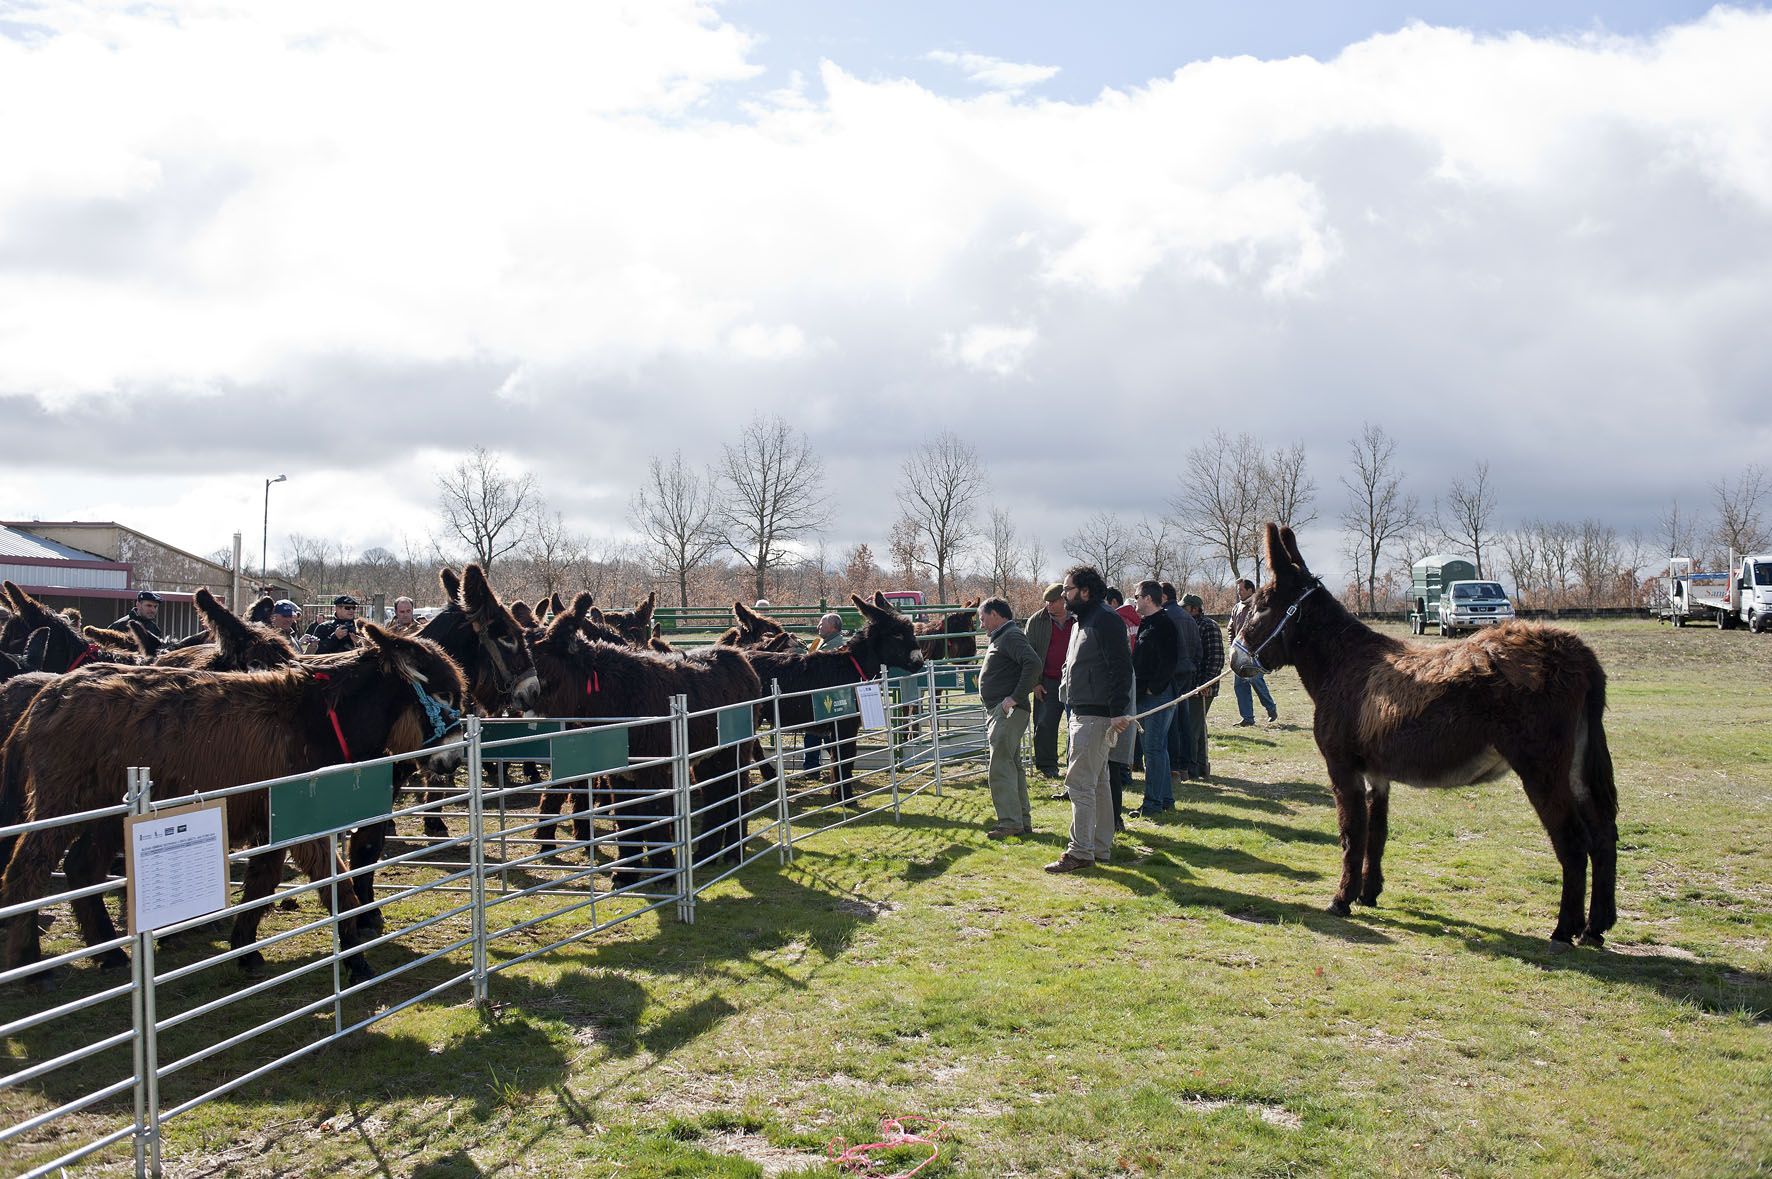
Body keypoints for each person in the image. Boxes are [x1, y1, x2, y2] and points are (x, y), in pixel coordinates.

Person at [1044, 565, 1133, 874]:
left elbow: (1121, 666)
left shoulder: (1104, 620)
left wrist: (1119, 709)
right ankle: (1099, 846)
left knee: (1080, 783)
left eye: (1068, 589)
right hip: (1086, 711)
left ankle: (1080, 851)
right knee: (1098, 783)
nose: (1063, 595)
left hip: (1095, 715)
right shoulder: (1085, 620)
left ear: (1084, 591)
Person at [977, 597, 1041, 839]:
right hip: (1005, 711)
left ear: (995, 614)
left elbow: (1033, 663)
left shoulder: (1010, 636)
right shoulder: (1005, 636)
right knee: (1012, 766)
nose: (982, 624)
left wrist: (1014, 697)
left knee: (1000, 767)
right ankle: (1021, 821)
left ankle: (1010, 822)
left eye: (983, 619)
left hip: (1007, 712)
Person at [1130, 580, 1181, 816]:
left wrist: (1154, 688)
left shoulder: (1164, 624)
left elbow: (1171, 660)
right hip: (1147, 695)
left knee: (1153, 750)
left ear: (1148, 599)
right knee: (1158, 748)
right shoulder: (1147, 623)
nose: (1135, 600)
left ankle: (1152, 804)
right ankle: (1166, 799)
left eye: (1137, 596)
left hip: (1158, 697)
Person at [1025, 583, 1073, 782]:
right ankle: (1047, 764)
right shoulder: (1037, 621)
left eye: (1053, 602)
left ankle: (1075, 765)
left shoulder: (1078, 618)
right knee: (1044, 724)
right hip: (1048, 681)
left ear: (1063, 600)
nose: (1049, 606)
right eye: (1047, 602)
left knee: (1077, 725)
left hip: (1075, 681)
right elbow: (1029, 652)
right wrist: (1035, 682)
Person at [1160, 582, 1201, 786]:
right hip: (1187, 674)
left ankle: (1174, 767)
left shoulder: (1164, 616)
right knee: (1184, 721)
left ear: (1164, 597)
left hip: (1170, 675)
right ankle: (1186, 766)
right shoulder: (1189, 618)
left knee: (1171, 724)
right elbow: (1197, 650)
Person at [1182, 593, 1225, 779]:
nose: (1183, 610)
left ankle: (1194, 768)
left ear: (1194, 608)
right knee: (1196, 728)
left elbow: (1216, 658)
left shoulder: (1209, 626)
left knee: (1193, 729)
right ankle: (1200, 768)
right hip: (1193, 686)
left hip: (1204, 687)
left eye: (1185, 607)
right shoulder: (1191, 624)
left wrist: (1205, 682)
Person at [804, 612, 849, 775]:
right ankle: (834, 766)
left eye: (822, 624)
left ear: (833, 627)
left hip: (825, 696)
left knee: (815, 732)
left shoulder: (833, 646)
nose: (818, 627)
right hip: (826, 696)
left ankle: (812, 767)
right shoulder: (824, 643)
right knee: (825, 733)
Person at [1229, 578, 1278, 726]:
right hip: (1240, 653)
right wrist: (1233, 646)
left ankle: (1270, 708)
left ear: (1250, 590)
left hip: (1255, 653)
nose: (1239, 593)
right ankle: (1247, 718)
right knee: (1240, 685)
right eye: (1238, 591)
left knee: (1255, 680)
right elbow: (1231, 629)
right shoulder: (1236, 608)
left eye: (1242, 590)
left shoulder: (1259, 606)